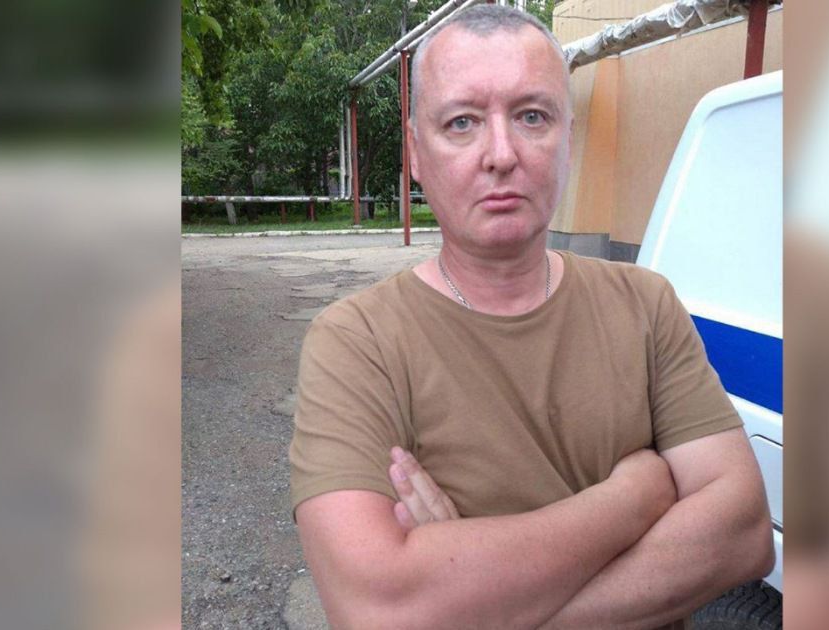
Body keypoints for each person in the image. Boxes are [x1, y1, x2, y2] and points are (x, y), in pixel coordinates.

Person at [289, 6, 773, 628]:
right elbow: (377, 607)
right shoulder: (358, 343)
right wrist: (633, 498)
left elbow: (742, 535)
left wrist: (470, 607)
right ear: (415, 153)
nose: (501, 154)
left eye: (532, 116)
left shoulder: (646, 306)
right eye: (462, 122)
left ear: (568, 139)